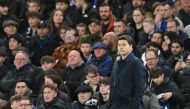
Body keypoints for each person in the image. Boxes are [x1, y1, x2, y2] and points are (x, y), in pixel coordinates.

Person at [108, 35, 146, 109]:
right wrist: (110, 104)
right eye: (119, 45)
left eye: (124, 44)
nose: (121, 47)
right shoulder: (116, 63)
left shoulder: (136, 63)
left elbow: (140, 88)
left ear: (131, 46)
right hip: (115, 105)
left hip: (129, 105)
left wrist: (134, 105)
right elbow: (113, 84)